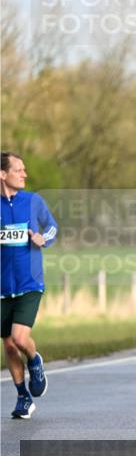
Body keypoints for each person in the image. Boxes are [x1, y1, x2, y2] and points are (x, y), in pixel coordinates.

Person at [1, 152, 57, 419]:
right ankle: (23, 397)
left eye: (24, 170)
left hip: (29, 283)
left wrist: (42, 238)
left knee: (20, 339)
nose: (24, 174)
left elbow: (53, 227)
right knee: (9, 345)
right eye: (18, 170)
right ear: (3, 174)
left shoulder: (33, 201)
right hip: (1, 288)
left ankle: (35, 361)